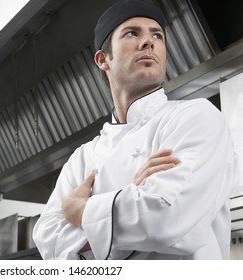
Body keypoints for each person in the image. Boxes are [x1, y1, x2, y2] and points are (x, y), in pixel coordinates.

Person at [32, 0, 238, 260]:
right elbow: (47, 239)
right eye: (132, 33)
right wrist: (131, 199)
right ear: (102, 59)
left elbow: (167, 217)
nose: (148, 42)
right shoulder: (83, 157)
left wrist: (77, 210)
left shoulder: (195, 118)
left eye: (157, 35)